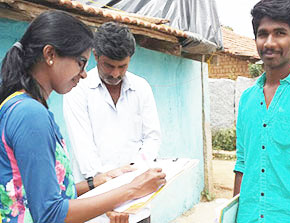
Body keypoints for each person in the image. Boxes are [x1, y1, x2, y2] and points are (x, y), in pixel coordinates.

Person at [0, 10, 166, 223]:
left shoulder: (23, 107)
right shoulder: (30, 115)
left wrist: (97, 182)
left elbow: (46, 195)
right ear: (50, 55)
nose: (84, 73)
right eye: (80, 62)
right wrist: (131, 189)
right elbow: (51, 213)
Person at [233, 0, 290, 222]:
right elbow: (242, 164)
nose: (269, 42)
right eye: (263, 34)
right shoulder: (247, 99)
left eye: (280, 33)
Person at [63, 22, 161, 223]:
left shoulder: (141, 88)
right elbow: (85, 152)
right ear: (96, 56)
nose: (115, 73)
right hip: (93, 207)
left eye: (122, 66)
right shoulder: (77, 90)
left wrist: (133, 185)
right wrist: (111, 201)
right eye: (109, 65)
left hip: (137, 206)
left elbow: (152, 138)